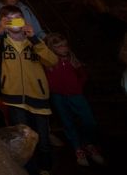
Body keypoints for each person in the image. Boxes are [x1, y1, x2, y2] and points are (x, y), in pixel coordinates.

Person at [0, 5, 58, 175]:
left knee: (43, 139)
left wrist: (35, 39)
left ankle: (45, 168)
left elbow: (52, 61)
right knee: (22, 138)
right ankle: (28, 169)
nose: (14, 23)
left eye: (17, 19)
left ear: (24, 20)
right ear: (4, 23)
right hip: (14, 97)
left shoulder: (34, 41)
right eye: (9, 20)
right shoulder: (2, 43)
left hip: (38, 97)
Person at [44, 33, 105, 166]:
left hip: (76, 95)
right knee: (68, 122)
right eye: (59, 47)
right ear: (52, 48)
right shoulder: (49, 62)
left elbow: (83, 76)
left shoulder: (73, 60)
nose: (64, 49)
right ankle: (78, 148)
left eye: (65, 45)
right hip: (58, 96)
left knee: (89, 121)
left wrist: (78, 87)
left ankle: (89, 144)